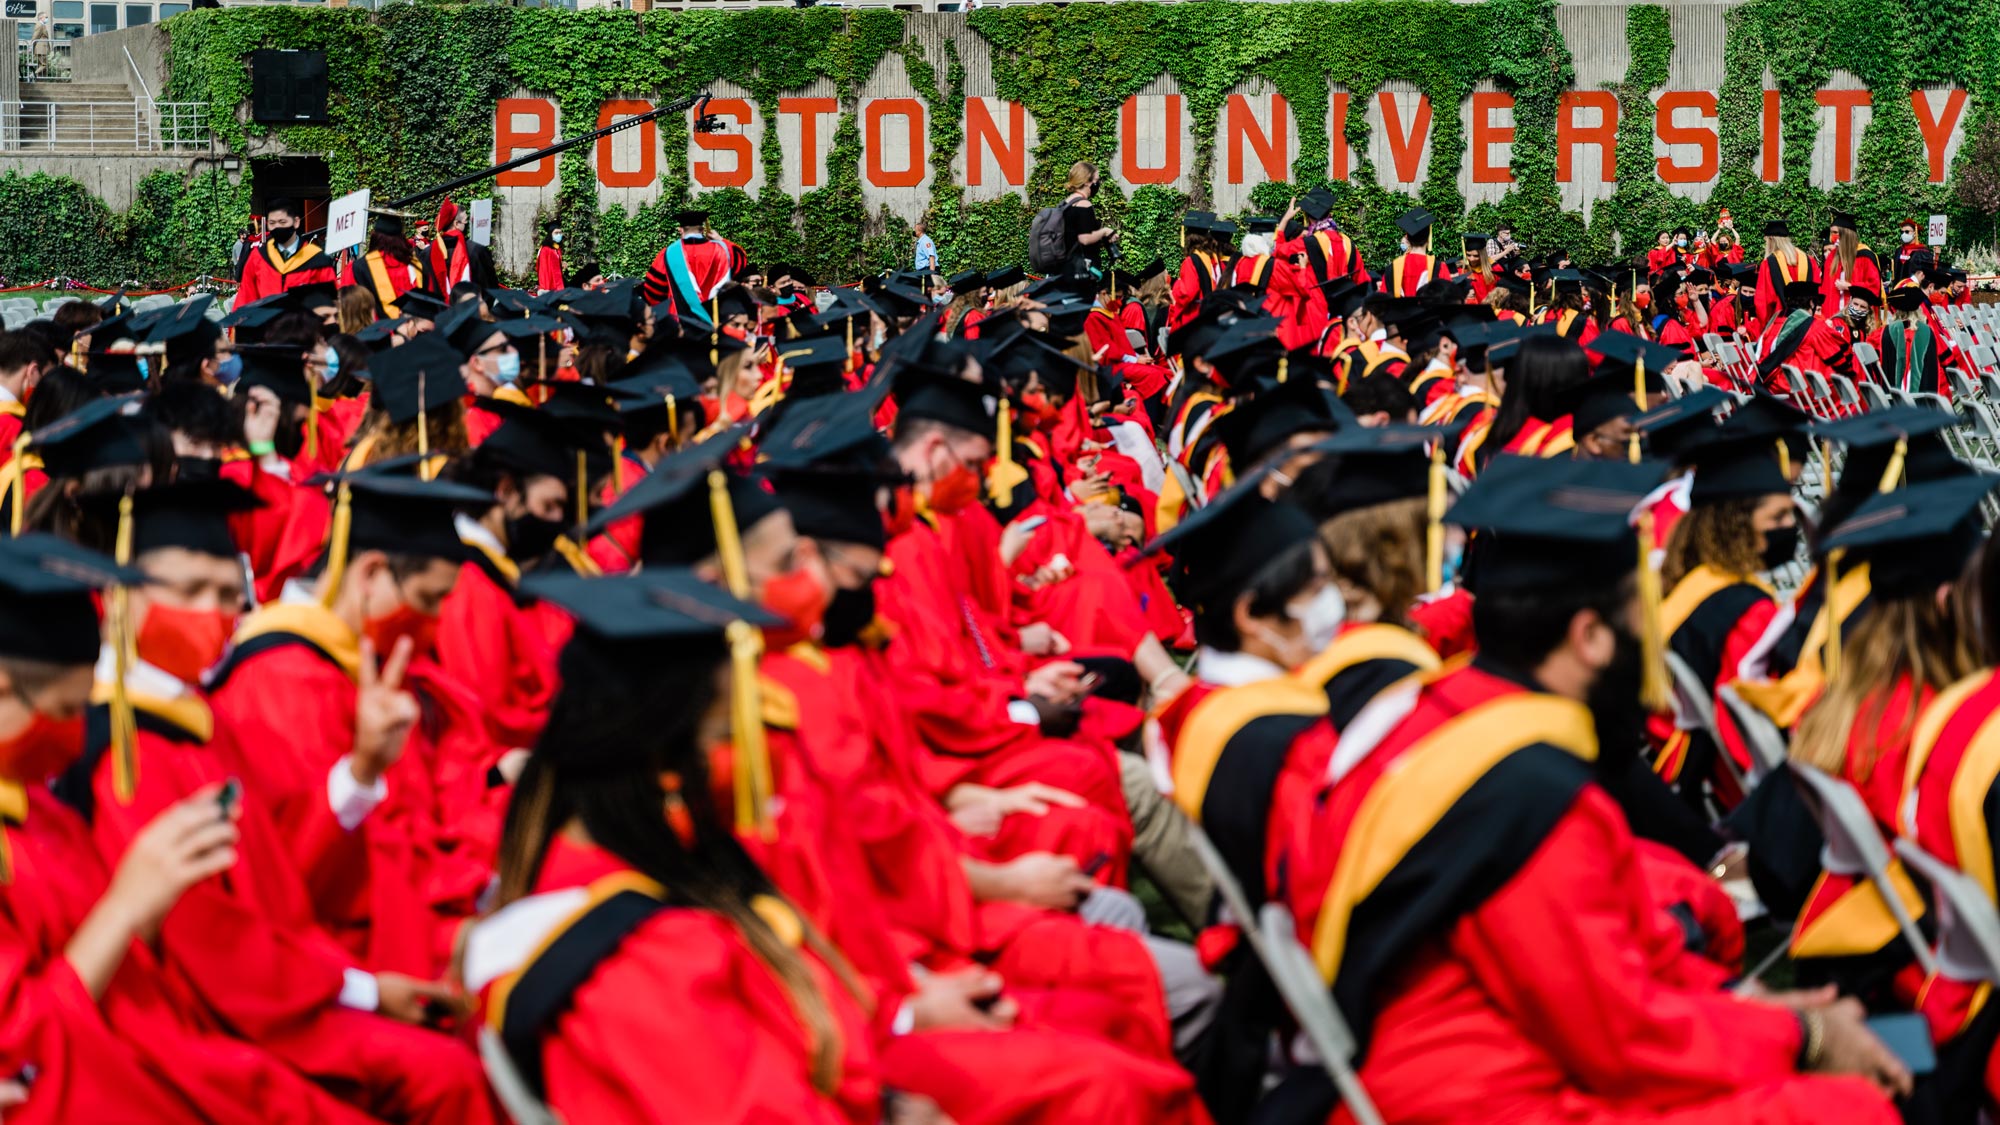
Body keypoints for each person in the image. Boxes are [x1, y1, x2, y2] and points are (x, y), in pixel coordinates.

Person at [1286, 454, 1907, 1125]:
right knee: (1850, 1107)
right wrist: (1807, 1036)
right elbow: (1626, 1040)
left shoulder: (1432, 710)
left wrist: (1764, 1014)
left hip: (1449, 1050)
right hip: (1480, 1094)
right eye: (1637, 617)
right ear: (1588, 637)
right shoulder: (1534, 796)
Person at [68, 482, 495, 1125]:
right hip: (209, 1028)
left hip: (282, 981)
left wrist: (361, 770)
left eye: (224, 594)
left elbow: (278, 868)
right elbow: (206, 935)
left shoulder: (193, 717)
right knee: (445, 1072)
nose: (212, 613)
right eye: (188, 593)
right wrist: (363, 991)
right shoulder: (125, 750)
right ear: (121, 598)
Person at [0, 532, 376, 1124]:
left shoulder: (41, 814)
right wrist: (126, 907)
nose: (78, 732)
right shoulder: (118, 760)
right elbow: (21, 1045)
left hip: (160, 1048)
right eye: (68, 711)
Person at [1653, 427, 1798, 809]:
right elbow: (1753, 736)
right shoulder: (1747, 613)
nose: (1790, 526)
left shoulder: (1697, 578)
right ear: (1737, 523)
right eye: (1779, 516)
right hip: (1731, 787)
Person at [639, 209, 743, 322]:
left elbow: (653, 292)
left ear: (681, 230)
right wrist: (720, 239)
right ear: (703, 230)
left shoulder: (668, 253)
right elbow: (741, 260)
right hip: (716, 318)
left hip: (680, 320)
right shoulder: (722, 250)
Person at [236, 198, 337, 309]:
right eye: (272, 223)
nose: (277, 227)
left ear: (296, 222)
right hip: (267, 325)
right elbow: (245, 298)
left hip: (305, 324)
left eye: (282, 222)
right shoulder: (258, 258)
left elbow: (329, 305)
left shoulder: (317, 260)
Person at [339, 213, 431, 319]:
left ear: (374, 237)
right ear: (402, 237)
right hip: (415, 330)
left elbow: (349, 310)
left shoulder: (357, 268)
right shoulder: (418, 266)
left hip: (375, 333)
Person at [1060, 161, 1118, 278]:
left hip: (1067, 267)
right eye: (1096, 180)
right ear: (1087, 182)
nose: (1097, 183)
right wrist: (1105, 231)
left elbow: (1073, 237)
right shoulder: (1084, 204)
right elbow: (1084, 239)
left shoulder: (1066, 203)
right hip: (1082, 271)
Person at [1821, 211, 1883, 316]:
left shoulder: (1864, 256)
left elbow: (1874, 287)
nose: (1832, 237)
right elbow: (1824, 288)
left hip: (1857, 315)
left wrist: (1851, 287)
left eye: (1835, 232)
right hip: (1833, 315)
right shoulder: (1832, 257)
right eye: (1831, 233)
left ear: (1846, 234)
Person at [535, 223, 564, 293]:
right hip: (549, 286)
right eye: (556, 233)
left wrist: (561, 265)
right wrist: (545, 287)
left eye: (560, 233)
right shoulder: (545, 249)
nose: (559, 235)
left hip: (558, 283)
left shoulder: (557, 248)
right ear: (550, 234)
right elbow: (543, 270)